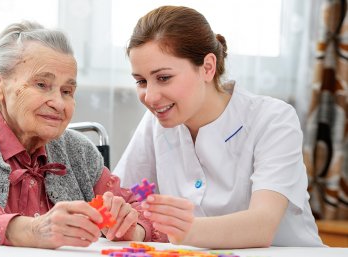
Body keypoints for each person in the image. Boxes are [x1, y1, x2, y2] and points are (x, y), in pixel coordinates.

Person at [0, 21, 162, 249]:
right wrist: (29, 229)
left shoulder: (80, 153)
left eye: (67, 91)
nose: (59, 103)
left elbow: (146, 212)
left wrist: (133, 227)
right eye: (41, 84)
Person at [114, 5, 324, 248]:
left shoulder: (273, 119)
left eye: (163, 78)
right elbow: (124, 198)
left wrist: (183, 229)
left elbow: (262, 226)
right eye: (141, 81)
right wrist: (124, 222)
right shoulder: (156, 121)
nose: (150, 97)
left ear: (207, 67)